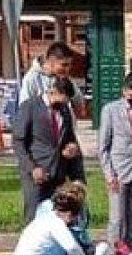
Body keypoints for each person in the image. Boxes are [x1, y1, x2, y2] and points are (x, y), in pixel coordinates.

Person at [7, 182, 101, 255]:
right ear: (70, 214)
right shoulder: (56, 223)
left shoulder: (44, 218)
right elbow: (71, 247)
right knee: (73, 237)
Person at [13, 77, 85, 223]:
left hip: (58, 172)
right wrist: (32, 168)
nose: (62, 105)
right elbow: (19, 142)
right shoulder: (30, 107)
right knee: (34, 217)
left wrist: (71, 150)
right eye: (60, 101)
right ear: (52, 92)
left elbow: (69, 137)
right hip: (36, 173)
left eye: (66, 103)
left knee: (57, 217)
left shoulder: (64, 110)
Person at [98, 73, 132, 247]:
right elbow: (103, 147)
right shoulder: (110, 110)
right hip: (118, 172)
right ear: (123, 92)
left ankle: (131, 252)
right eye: (130, 97)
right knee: (117, 218)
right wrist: (109, 175)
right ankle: (114, 253)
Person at [18, 42, 81, 114]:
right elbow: (23, 109)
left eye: (70, 65)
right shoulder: (32, 79)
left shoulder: (65, 77)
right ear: (51, 62)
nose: (68, 69)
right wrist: (47, 100)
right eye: (64, 65)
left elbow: (79, 104)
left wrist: (70, 95)